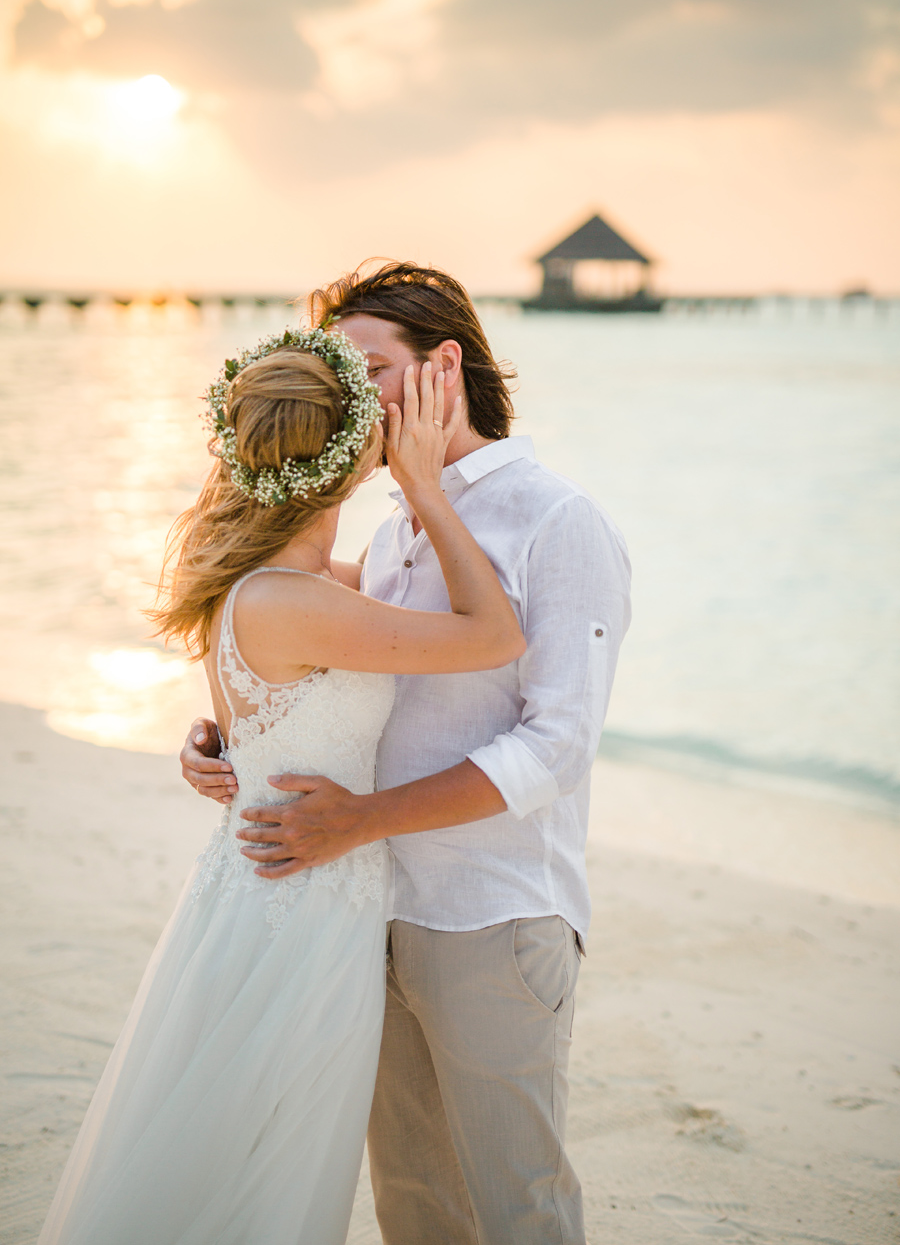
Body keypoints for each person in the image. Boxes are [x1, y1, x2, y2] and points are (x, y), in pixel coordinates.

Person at [37, 327, 525, 1245]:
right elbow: (494, 634)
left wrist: (211, 739)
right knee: (263, 1167)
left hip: (268, 892)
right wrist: (424, 487)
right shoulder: (300, 601)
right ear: (349, 461)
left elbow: (285, 697)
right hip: (300, 914)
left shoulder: (283, 585)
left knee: (242, 1151)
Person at [182, 262, 632, 1245]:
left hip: (492, 915)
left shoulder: (557, 522)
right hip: (367, 913)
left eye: (367, 369)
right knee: (417, 1205)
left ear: (444, 367)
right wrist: (232, 739)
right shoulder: (393, 531)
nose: (346, 397)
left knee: (519, 1203)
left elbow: (557, 747)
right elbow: (308, 656)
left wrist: (361, 820)